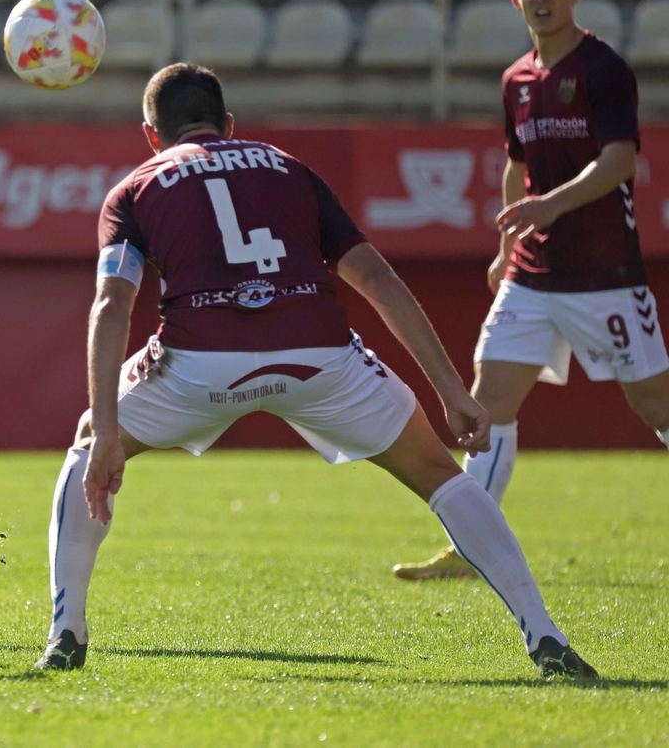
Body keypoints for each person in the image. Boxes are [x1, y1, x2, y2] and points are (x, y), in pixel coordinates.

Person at [35, 63, 596, 679]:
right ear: (228, 124)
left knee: (89, 441)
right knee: (439, 473)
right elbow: (376, 279)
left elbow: (112, 303)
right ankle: (545, 635)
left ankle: (66, 633)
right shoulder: (288, 167)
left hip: (199, 361)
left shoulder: (135, 187)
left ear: (151, 134)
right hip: (319, 357)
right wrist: (453, 392)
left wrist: (109, 430)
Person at [393, 0, 669, 580]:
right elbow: (517, 168)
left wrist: (552, 207)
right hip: (533, 274)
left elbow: (620, 160)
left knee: (654, 404)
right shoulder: (516, 79)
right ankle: (471, 548)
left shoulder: (603, 68)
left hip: (604, 274)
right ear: (515, 0)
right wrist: (504, 248)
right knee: (487, 401)